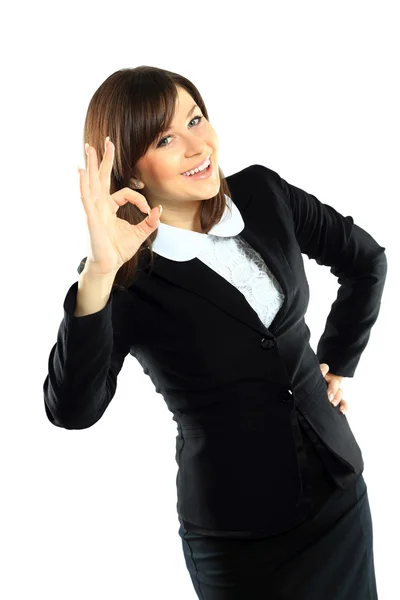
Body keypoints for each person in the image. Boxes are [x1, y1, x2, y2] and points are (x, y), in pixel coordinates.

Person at [43, 66, 386, 599]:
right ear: (132, 172)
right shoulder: (126, 277)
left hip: (337, 491)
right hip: (241, 537)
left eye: (195, 118)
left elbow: (366, 261)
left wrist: (339, 363)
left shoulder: (264, 193)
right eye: (165, 138)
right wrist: (99, 274)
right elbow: (72, 410)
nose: (196, 145)